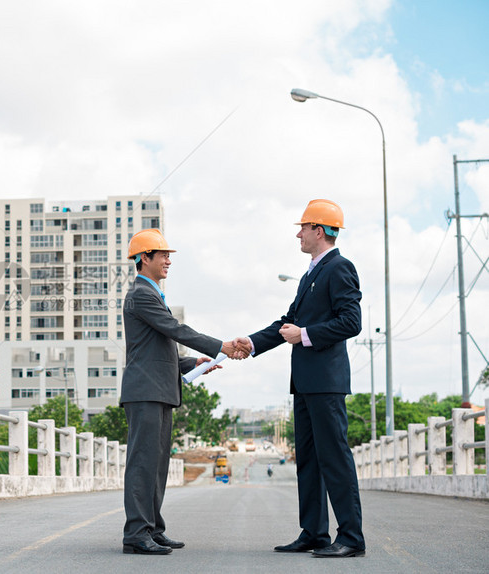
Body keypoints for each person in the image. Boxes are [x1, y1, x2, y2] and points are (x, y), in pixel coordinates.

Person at [233, 199, 365, 558]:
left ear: (318, 230)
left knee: (334, 457)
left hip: (325, 381)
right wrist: (254, 342)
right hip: (306, 382)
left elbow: (351, 322)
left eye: (303, 227)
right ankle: (315, 533)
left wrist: (305, 334)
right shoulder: (311, 274)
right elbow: (286, 323)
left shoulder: (339, 268)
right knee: (308, 458)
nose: (298, 233)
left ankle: (351, 537)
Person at [121, 228, 245, 555]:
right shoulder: (141, 294)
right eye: (163, 255)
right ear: (143, 258)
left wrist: (192, 363)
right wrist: (221, 346)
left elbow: (158, 347)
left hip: (159, 389)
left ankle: (152, 528)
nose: (168, 262)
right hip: (145, 391)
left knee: (157, 463)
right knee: (143, 463)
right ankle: (136, 533)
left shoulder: (152, 295)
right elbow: (175, 329)